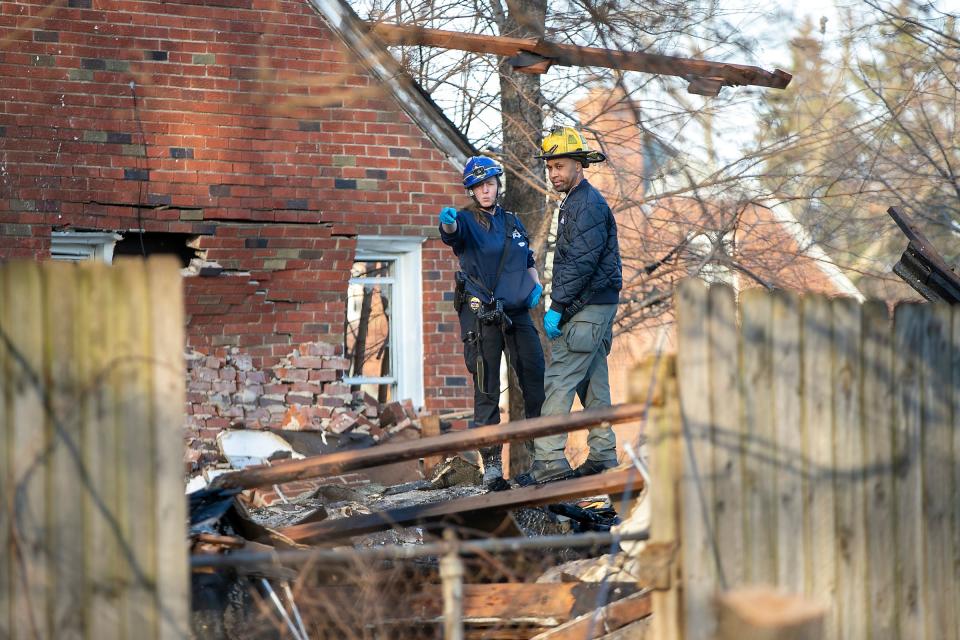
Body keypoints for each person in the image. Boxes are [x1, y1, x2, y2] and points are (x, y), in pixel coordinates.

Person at [516, 127, 623, 486]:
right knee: (593, 383)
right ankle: (604, 454)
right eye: (550, 168)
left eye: (560, 165)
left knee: (559, 379)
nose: (554, 173)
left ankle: (548, 460)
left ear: (579, 164)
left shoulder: (587, 204)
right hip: (593, 305)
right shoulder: (576, 202)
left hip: (587, 306)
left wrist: (558, 306)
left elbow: (580, 262)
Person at [439, 156, 546, 491]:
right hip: (482, 314)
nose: (485, 190)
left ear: (498, 185)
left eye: (489, 184)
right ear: (471, 190)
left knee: (535, 379)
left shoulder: (513, 222)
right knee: (486, 390)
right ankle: (493, 468)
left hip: (517, 313)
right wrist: (448, 224)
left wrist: (536, 286)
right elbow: (451, 235)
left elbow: (527, 258)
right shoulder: (467, 220)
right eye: (478, 186)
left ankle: (541, 459)